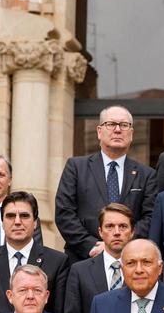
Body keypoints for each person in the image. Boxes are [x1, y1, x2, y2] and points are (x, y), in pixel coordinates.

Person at [54, 105, 156, 264]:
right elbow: (64, 213)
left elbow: (150, 217)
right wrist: (92, 246)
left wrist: (122, 245)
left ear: (131, 134)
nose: (117, 130)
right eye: (111, 124)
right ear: (99, 131)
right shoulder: (76, 167)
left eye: (124, 125)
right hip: (83, 260)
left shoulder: (147, 174)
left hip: (130, 262)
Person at [0, 191, 69, 313]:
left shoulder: (57, 262)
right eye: (10, 216)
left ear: (35, 222)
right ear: (2, 222)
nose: (17, 222)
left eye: (24, 216)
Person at [65, 204, 134, 313]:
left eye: (123, 226)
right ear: (100, 232)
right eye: (110, 226)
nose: (117, 232)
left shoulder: (142, 271)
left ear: (132, 232)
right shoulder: (80, 272)